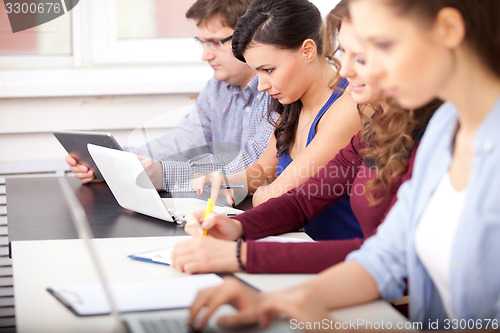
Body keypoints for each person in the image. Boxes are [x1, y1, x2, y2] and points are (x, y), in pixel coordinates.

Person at [187, 0, 500, 330]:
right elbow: (386, 256)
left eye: (375, 47)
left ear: (449, 30)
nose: (348, 71)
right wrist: (271, 298)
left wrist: (245, 257)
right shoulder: (445, 127)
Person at [171, 0, 441, 275]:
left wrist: (243, 251)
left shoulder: (359, 110)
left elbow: (276, 196)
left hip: (353, 270)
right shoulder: (377, 127)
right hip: (340, 263)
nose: (344, 70)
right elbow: (297, 198)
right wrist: (237, 220)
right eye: (344, 52)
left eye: (359, 56)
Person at [189, 0, 365, 242]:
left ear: (307, 51)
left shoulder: (347, 109)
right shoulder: (293, 101)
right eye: (256, 72)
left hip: (337, 254)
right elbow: (263, 170)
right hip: (295, 242)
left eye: (268, 70)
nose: (261, 86)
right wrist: (227, 180)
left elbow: (275, 198)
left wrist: (262, 191)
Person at [66, 0, 274, 193]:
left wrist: (164, 173)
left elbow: (254, 166)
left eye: (214, 42)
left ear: (250, 35)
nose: (205, 55)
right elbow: (181, 143)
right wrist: (116, 159)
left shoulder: (276, 92)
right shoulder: (218, 88)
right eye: (201, 42)